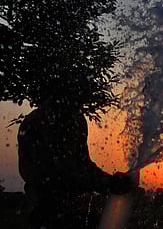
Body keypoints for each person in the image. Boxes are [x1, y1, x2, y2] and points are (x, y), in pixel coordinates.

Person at [18, 98, 135, 229]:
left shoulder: (77, 119)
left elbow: (84, 164)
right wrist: (106, 184)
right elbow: (54, 177)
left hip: (70, 209)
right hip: (45, 210)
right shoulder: (37, 122)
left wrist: (110, 180)